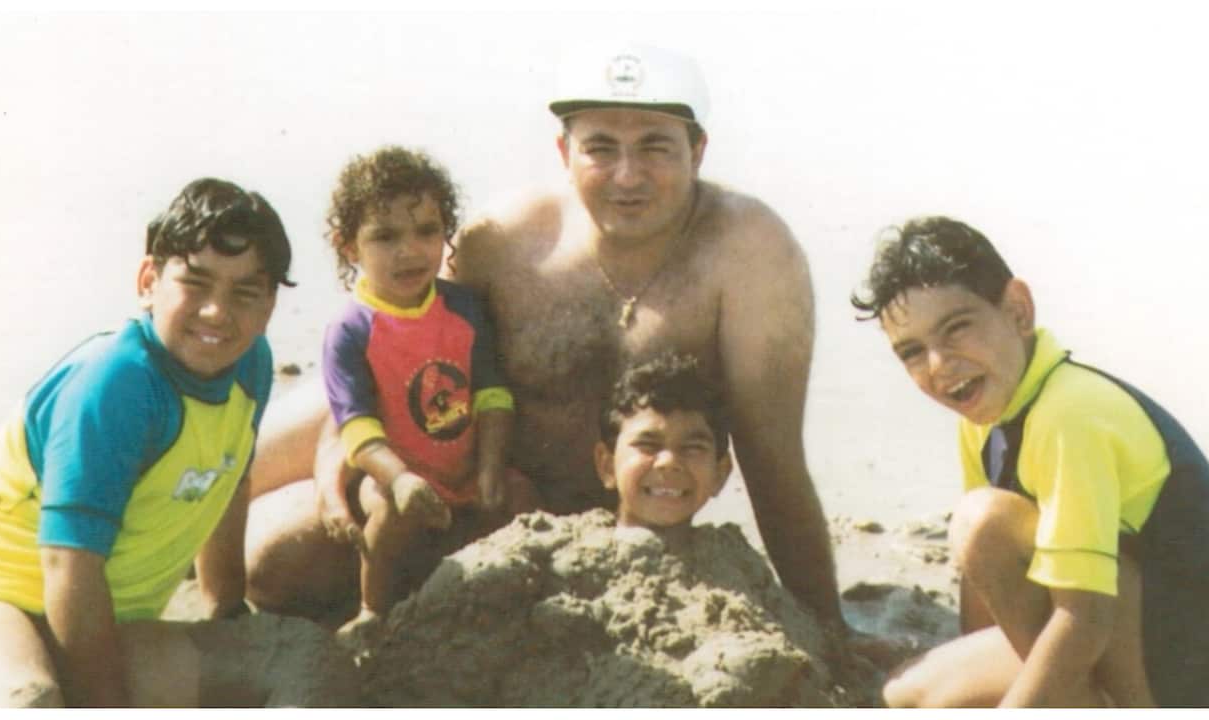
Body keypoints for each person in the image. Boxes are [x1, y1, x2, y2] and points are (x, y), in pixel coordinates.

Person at [245, 43, 845, 638]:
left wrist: (827, 624)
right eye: (601, 148)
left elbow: (775, 460)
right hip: (452, 456)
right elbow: (399, 345)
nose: (627, 176)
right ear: (564, 151)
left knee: (284, 563)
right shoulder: (505, 239)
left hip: (556, 516)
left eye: (655, 147)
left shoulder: (751, 252)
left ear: (698, 150)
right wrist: (335, 458)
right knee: (266, 556)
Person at [0, 179, 353, 707]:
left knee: (298, 658)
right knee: (29, 700)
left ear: (270, 304)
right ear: (149, 280)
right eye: (196, 284)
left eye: (244, 292)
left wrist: (226, 611)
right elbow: (67, 563)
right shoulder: (116, 384)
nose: (217, 312)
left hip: (102, 622)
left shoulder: (250, 365)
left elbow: (228, 485)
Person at [850, 216, 1209, 707]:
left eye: (956, 329)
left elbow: (1084, 617)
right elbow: (986, 574)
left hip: (1188, 660)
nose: (939, 366)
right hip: (1121, 625)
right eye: (913, 352)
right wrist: (964, 658)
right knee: (907, 694)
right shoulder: (984, 414)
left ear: (1019, 310)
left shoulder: (1070, 414)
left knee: (983, 521)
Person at [312, 146, 530, 633]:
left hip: (465, 468)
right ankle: (372, 610)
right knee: (390, 518)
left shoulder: (463, 308)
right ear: (349, 246)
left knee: (519, 492)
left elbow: (491, 394)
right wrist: (402, 479)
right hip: (392, 475)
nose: (409, 250)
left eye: (427, 231)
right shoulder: (351, 330)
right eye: (385, 236)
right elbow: (357, 429)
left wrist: (491, 465)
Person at [594, 352, 732, 533]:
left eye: (693, 448)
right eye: (648, 445)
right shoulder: (564, 555)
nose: (669, 462)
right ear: (607, 466)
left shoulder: (734, 559)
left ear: (720, 473)